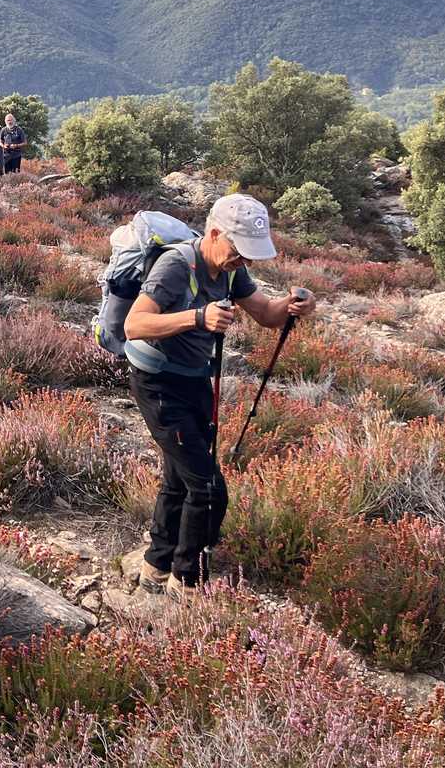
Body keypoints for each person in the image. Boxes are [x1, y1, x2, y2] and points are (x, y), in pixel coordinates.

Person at [121, 193, 317, 597]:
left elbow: (265, 313)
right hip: (158, 383)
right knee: (208, 488)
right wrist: (198, 317)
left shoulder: (231, 270)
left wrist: (292, 305)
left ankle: (156, 565)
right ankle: (186, 581)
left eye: (249, 255)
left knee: (180, 477)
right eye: (238, 251)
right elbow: (134, 325)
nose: (244, 261)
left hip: (195, 379)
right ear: (214, 234)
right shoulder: (176, 266)